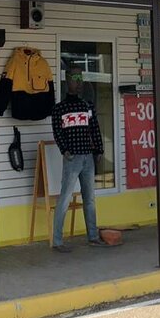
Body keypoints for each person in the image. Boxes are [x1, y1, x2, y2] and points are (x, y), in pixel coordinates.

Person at [51, 69, 113, 252]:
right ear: (67, 81)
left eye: (81, 79)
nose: (79, 83)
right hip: (72, 158)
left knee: (90, 198)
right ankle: (57, 240)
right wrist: (64, 150)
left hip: (88, 156)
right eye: (75, 79)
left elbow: (94, 128)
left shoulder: (87, 105)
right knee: (65, 198)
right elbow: (57, 132)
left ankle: (93, 236)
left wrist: (99, 149)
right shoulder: (59, 108)